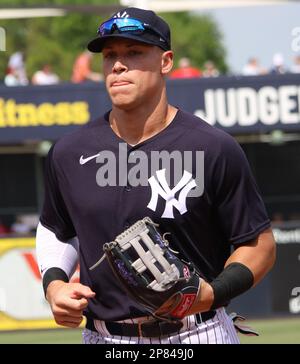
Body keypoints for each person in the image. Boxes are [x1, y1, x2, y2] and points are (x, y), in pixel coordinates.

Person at [36, 7, 276, 344]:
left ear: (166, 62)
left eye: (133, 52)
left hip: (197, 332)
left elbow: (258, 244)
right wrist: (55, 284)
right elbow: (55, 228)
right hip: (106, 339)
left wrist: (211, 292)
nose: (118, 65)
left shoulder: (212, 147)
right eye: (109, 56)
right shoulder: (69, 152)